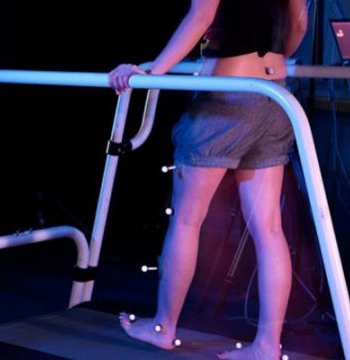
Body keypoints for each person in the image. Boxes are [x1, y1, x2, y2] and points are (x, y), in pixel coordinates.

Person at [108, 0, 308, 359]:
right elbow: (298, 25)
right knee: (269, 230)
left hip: (226, 96)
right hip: (274, 93)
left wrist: (153, 75)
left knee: (186, 220)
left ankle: (163, 328)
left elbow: (201, 15)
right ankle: (266, 346)